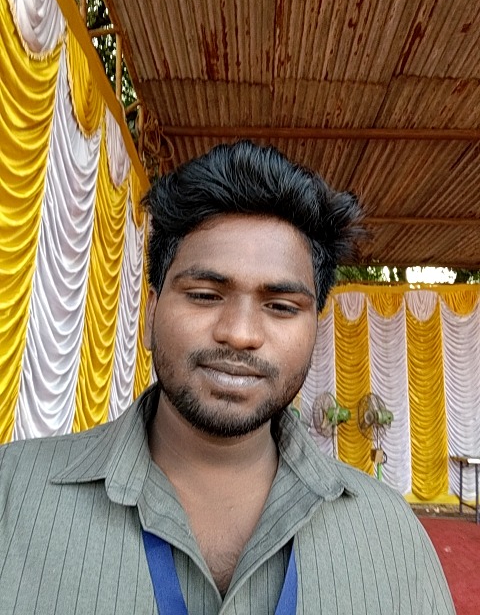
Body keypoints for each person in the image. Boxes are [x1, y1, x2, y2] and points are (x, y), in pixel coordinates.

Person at [0, 141, 454, 614]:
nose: (239, 333)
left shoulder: (392, 533)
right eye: (204, 295)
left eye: (281, 306)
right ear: (151, 313)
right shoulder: (10, 493)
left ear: (313, 331)